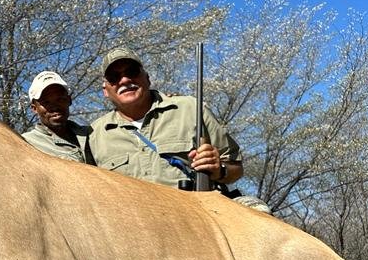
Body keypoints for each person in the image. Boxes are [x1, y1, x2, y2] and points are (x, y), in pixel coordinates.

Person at [90, 48, 268, 211]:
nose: (125, 80)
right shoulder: (94, 134)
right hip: (132, 224)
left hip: (198, 213)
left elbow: (236, 167)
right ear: (106, 90)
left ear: (147, 78)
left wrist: (219, 169)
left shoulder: (191, 108)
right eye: (114, 77)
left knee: (261, 213)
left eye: (132, 72)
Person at [21, 70, 95, 164]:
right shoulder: (27, 143)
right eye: (46, 102)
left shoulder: (92, 134)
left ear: (69, 100)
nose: (55, 106)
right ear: (34, 108)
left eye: (60, 99)